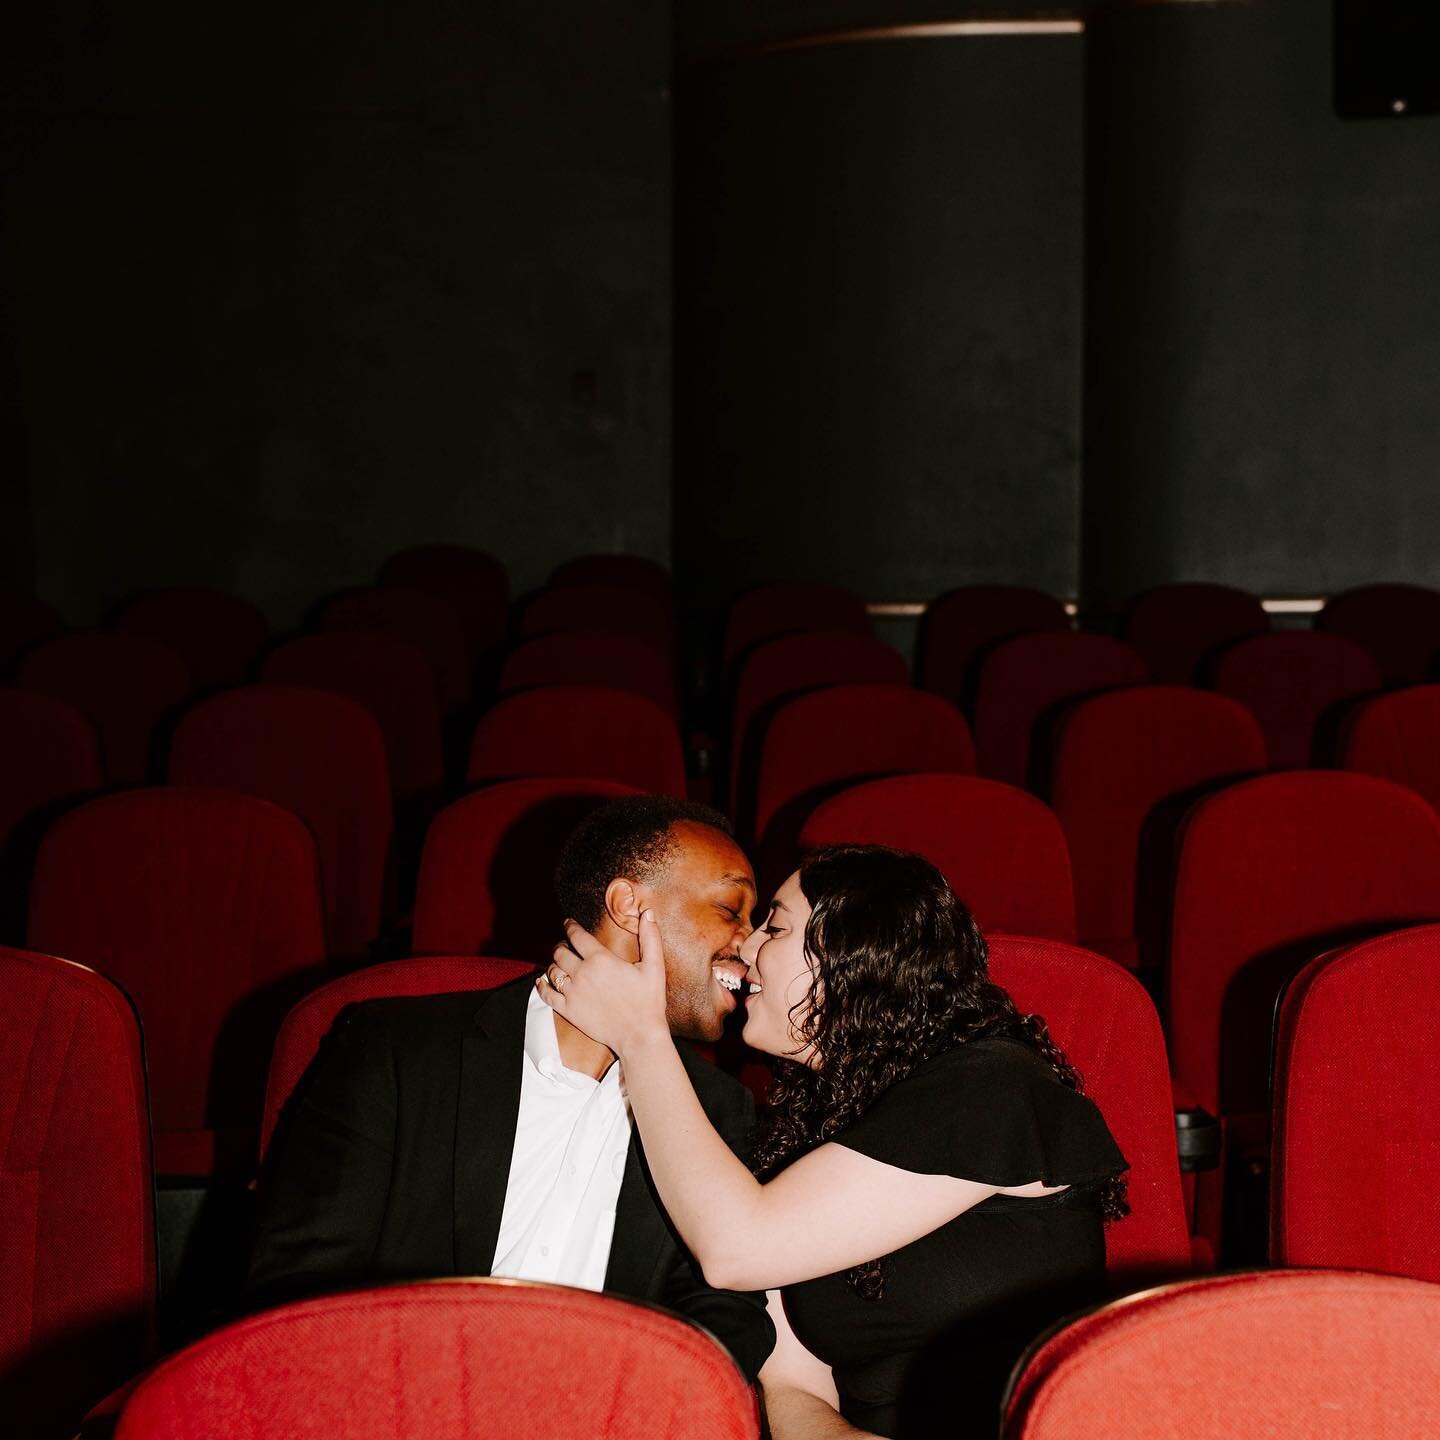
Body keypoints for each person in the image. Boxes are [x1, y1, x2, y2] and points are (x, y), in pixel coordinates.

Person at [540, 844, 1129, 1439]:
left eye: (775, 926)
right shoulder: (805, 1128)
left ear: (855, 953)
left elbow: (737, 1249)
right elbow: (795, 1385)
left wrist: (642, 1038)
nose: (744, 946)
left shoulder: (994, 1086)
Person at [246, 796, 775, 1382]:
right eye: (732, 908)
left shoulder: (720, 1110)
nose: (751, 946)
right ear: (629, 907)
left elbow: (730, 1317)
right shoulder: (396, 1052)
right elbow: (297, 1290)